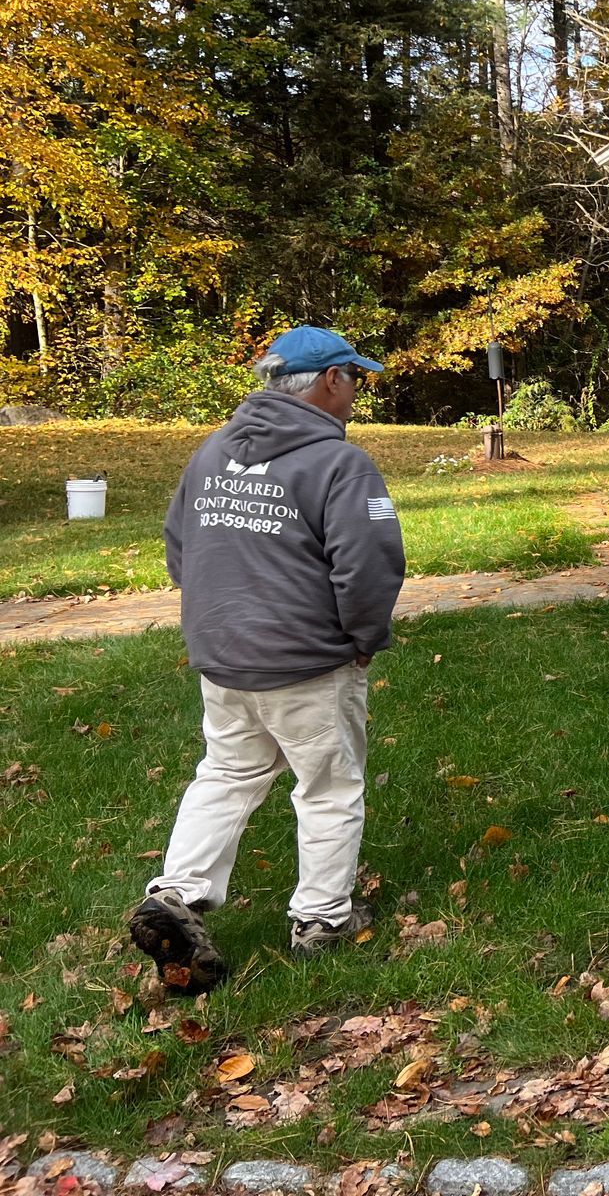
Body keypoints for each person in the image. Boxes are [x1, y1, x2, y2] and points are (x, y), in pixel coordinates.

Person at [129, 326, 406, 995]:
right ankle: (322, 919)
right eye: (355, 378)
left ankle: (176, 893)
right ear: (329, 380)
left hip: (225, 657)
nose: (357, 393)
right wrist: (364, 638)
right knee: (329, 784)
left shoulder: (214, 450)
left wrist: (224, 619)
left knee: (226, 770)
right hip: (306, 662)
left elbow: (178, 547)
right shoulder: (341, 466)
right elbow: (367, 568)